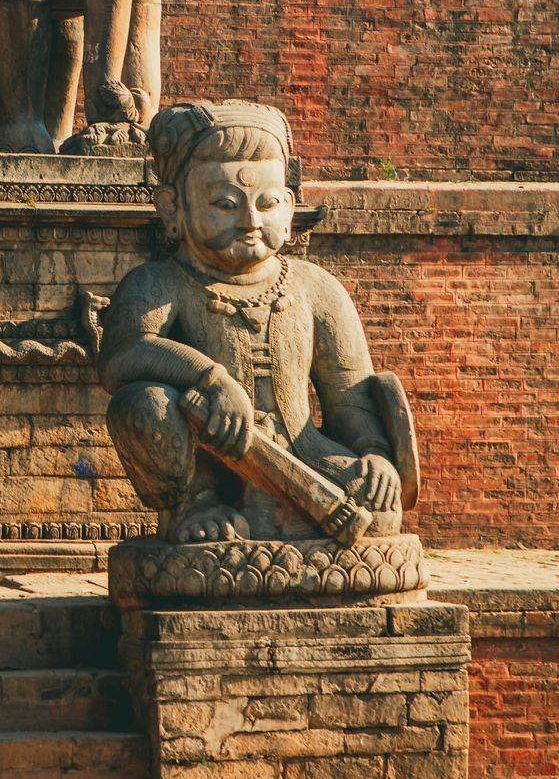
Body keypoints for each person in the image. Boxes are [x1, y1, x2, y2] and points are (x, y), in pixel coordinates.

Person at [96, 100, 411, 545]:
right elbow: (122, 354)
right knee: (142, 403)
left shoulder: (315, 288)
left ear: (289, 204)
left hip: (303, 459)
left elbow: (350, 398)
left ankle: (277, 520)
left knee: (377, 512)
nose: (250, 221)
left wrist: (375, 454)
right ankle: (194, 507)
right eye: (224, 204)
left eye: (267, 203)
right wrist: (210, 378)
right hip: (211, 465)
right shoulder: (160, 283)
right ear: (172, 207)